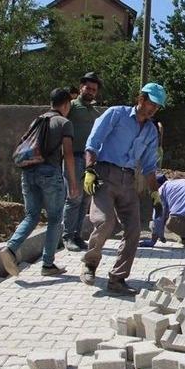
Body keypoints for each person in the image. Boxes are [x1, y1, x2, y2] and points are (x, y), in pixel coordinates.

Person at [80, 82, 166, 294]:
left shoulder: (151, 132)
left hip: (128, 181)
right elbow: (93, 142)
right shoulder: (116, 114)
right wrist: (89, 170)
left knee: (134, 230)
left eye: (157, 106)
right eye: (152, 104)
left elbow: (148, 167)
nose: (153, 109)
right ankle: (90, 264)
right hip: (105, 175)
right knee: (105, 221)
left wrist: (155, 193)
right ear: (141, 99)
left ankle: (117, 279)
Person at [1, 88, 78, 277]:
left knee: (31, 215)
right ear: (66, 104)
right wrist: (73, 182)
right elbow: (67, 154)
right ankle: (48, 264)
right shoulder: (64, 122)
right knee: (54, 219)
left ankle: (10, 248)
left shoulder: (37, 120)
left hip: (28, 173)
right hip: (50, 174)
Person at [61, 72, 102, 252]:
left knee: (86, 199)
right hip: (73, 157)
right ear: (81, 88)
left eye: (94, 89)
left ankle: (77, 235)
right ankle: (67, 236)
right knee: (73, 197)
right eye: (88, 88)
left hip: (89, 161)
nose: (91, 91)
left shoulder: (95, 112)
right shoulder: (71, 107)